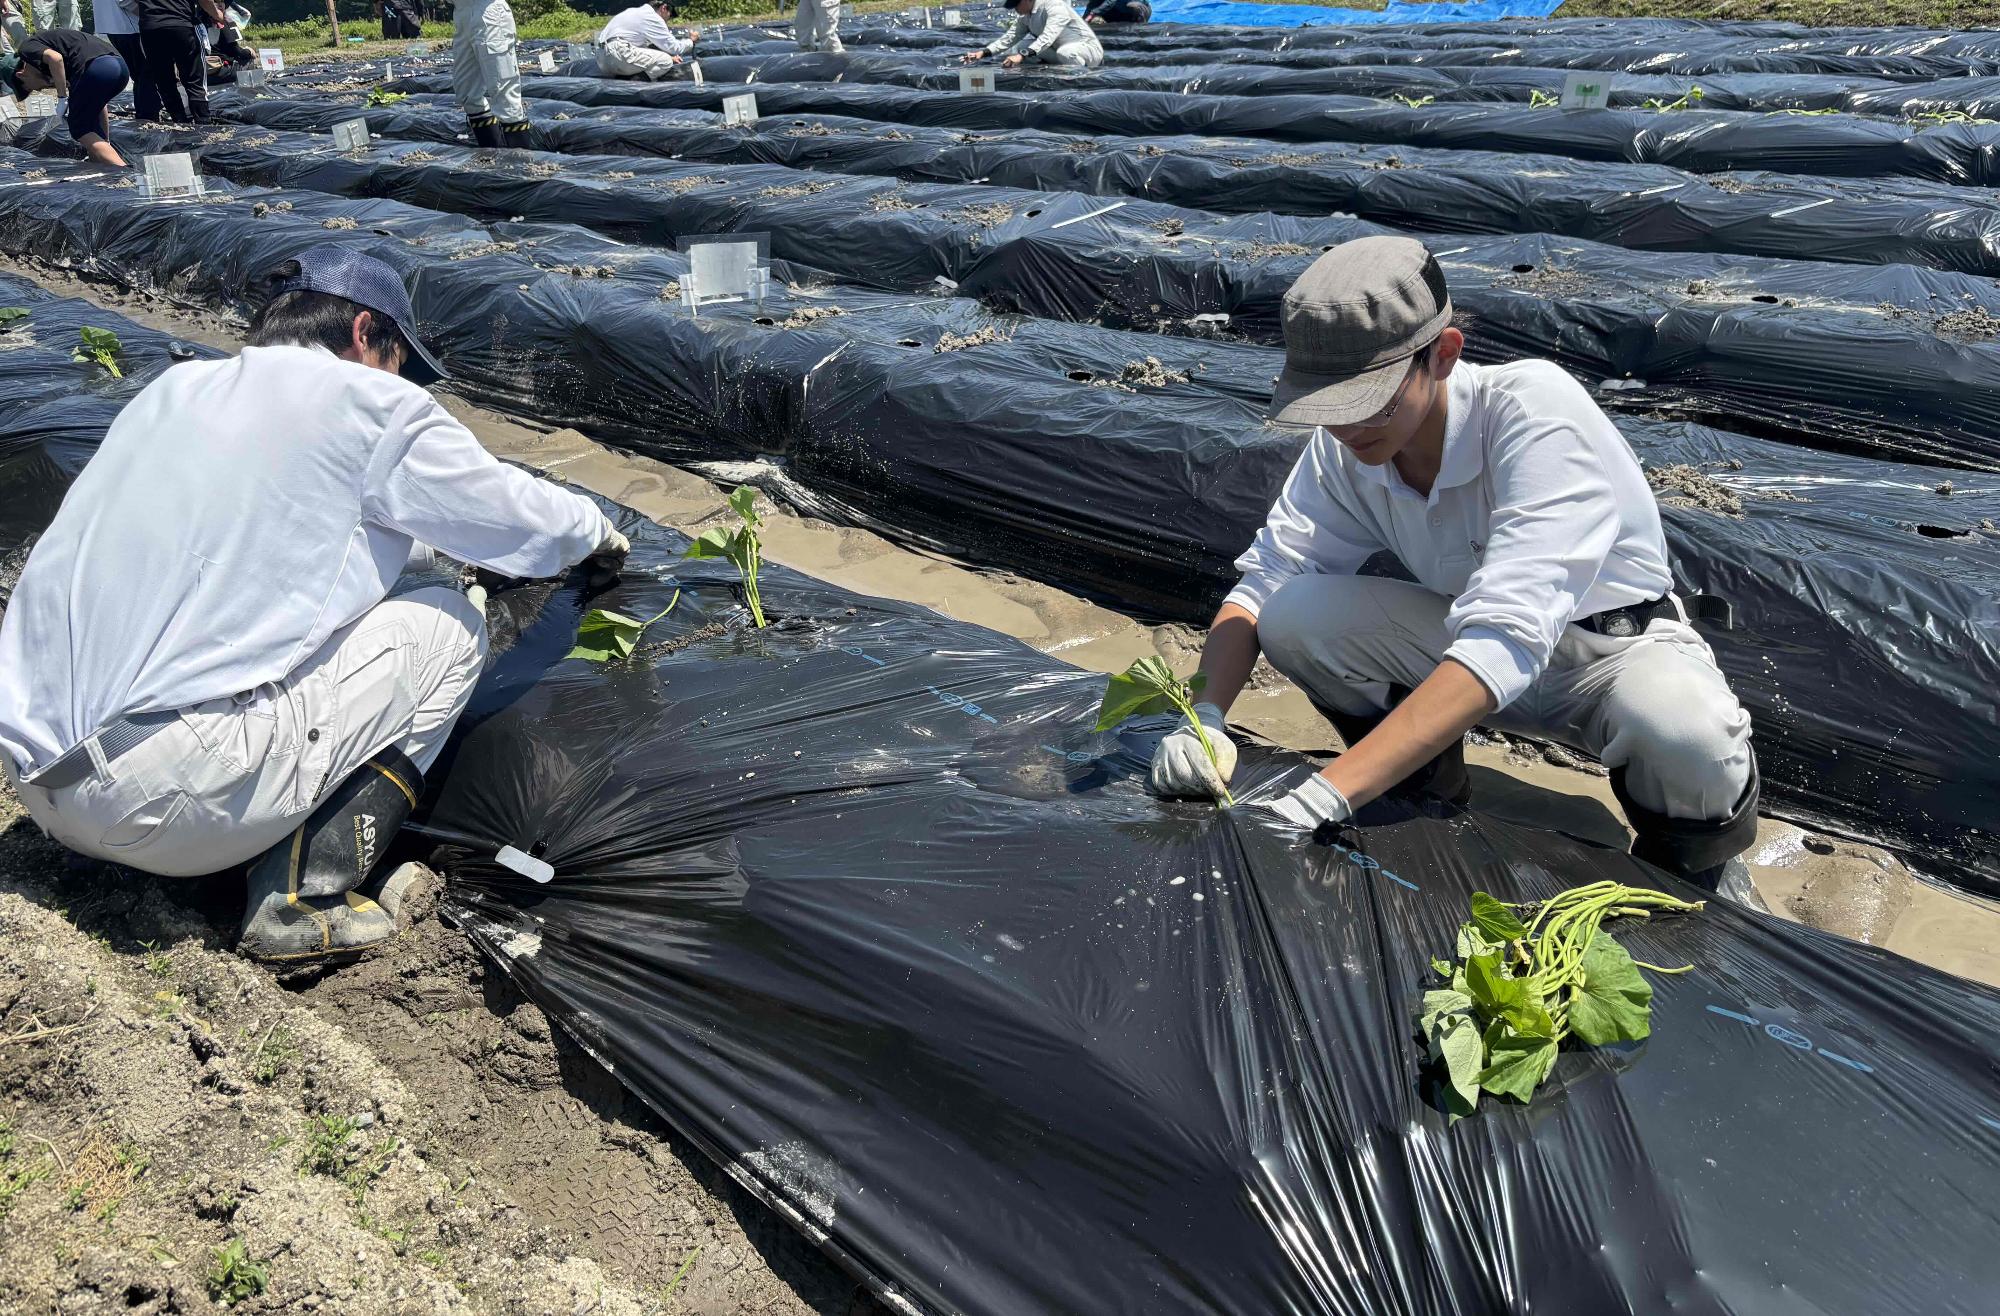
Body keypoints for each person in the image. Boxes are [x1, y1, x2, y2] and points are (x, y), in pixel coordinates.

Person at [0, 248, 629, 964]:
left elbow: (308, 541)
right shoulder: (368, 404)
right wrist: (599, 531)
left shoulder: (177, 390)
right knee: (448, 627)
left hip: (38, 778)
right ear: (366, 331)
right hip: (155, 804)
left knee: (402, 582)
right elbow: (527, 524)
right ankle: (302, 897)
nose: (402, 380)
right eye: (400, 359)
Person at [1151, 236, 1758, 889]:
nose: (1349, 429)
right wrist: (1204, 716)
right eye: (1330, 409)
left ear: (1441, 355)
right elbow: (1268, 579)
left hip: (1608, 660)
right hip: (1466, 647)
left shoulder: (1534, 413)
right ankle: (1421, 792)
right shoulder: (1350, 450)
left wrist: (1329, 794)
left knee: (1681, 727)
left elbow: (1507, 634)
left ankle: (1690, 871)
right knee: (1294, 616)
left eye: (1370, 402)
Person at [1, 29, 129, 166]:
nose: (37, 90)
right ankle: (102, 158)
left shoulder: (27, 48)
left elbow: (55, 58)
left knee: (80, 128)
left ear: (21, 74)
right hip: (120, 68)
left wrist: (62, 97)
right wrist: (105, 142)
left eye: (28, 87)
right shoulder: (63, 60)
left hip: (97, 69)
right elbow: (100, 105)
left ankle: (125, 174)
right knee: (87, 123)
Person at [135, 0, 226, 125]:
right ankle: (203, 121)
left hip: (151, 26)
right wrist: (218, 15)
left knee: (164, 80)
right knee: (194, 79)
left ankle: (179, 121)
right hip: (182, 24)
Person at [452, 0, 528, 148]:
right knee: (467, 94)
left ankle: (521, 164)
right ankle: (491, 157)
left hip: (488, 13)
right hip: (461, 13)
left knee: (504, 93)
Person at [962, 0, 1102, 70]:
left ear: (1026, 0)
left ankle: (1079, 79)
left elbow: (1048, 37)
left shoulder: (1054, 6)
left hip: (1086, 51)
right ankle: (1050, 71)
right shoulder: (1025, 16)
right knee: (1022, 45)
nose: (1015, 9)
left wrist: (1022, 55)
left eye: (1016, 5)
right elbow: (1009, 37)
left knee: (1065, 52)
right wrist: (983, 52)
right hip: (1059, 51)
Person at [92, 0, 158, 124]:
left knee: (140, 74)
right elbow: (126, 2)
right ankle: (147, 116)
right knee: (146, 74)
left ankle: (145, 114)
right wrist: (152, 14)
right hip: (129, 26)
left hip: (115, 25)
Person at [594, 0, 697, 80]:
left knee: (666, 58)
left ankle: (622, 80)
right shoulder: (652, 17)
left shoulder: (634, 12)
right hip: (617, 54)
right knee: (665, 61)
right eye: (670, 14)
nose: (669, 19)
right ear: (664, 8)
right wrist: (691, 41)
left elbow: (640, 47)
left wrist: (670, 57)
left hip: (602, 59)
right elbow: (674, 48)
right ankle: (636, 83)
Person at [1083, 0, 1150, 23]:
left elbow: (1111, 1)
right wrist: (1084, 21)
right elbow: (1091, 6)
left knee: (1133, 6)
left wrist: (1093, 14)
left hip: (1137, 9)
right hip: (1119, 12)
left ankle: (1140, 26)